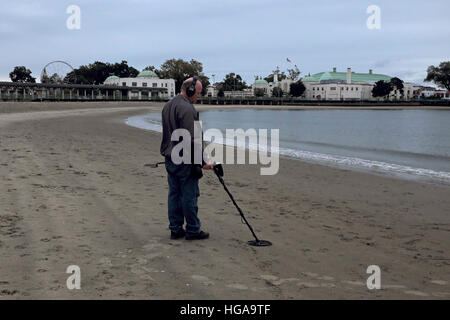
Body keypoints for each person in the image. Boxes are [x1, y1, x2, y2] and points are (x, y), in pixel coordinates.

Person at [160, 77, 214, 240]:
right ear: (189, 90)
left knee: (174, 194)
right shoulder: (188, 109)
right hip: (185, 159)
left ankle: (175, 228)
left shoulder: (168, 105)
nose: (199, 96)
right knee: (190, 195)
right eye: (197, 92)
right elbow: (194, 139)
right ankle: (193, 229)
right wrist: (203, 162)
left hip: (170, 158)